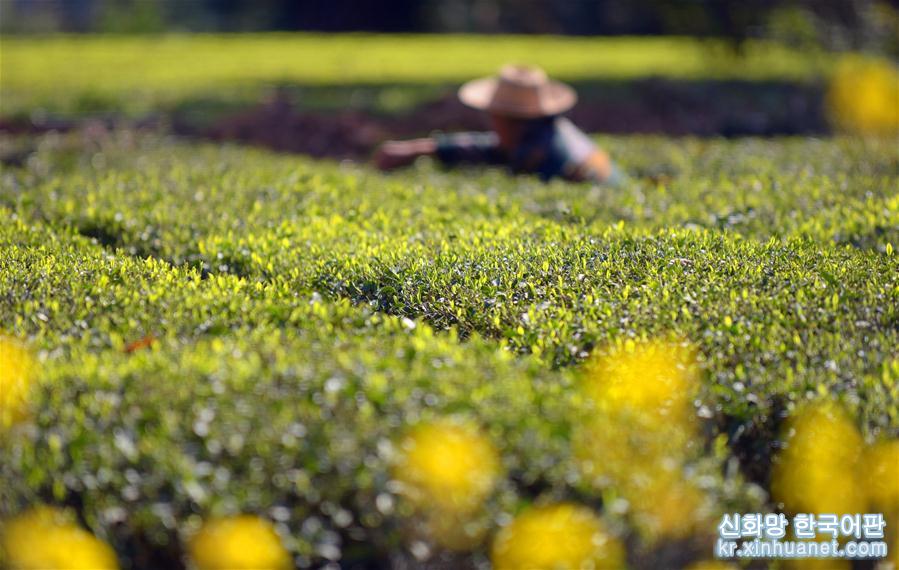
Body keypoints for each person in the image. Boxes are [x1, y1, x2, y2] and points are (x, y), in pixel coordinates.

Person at [374, 64, 624, 185]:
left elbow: (494, 155)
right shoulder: (543, 132)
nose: (491, 123)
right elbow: (489, 148)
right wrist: (422, 148)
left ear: (508, 120)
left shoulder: (541, 153)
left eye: (494, 116)